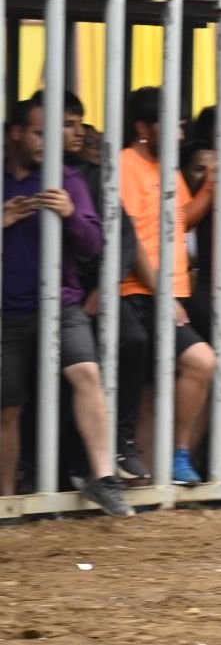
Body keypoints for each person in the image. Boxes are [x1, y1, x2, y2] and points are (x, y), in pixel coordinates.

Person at [1, 97, 132, 516]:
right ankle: (8, 500)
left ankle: (104, 477)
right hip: (6, 312)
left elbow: (94, 244)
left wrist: (71, 214)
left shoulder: (67, 179)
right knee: (8, 408)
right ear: (16, 134)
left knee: (87, 373)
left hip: (60, 303)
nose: (48, 141)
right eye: (40, 132)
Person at [117, 86, 218, 486]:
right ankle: (174, 455)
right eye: (172, 126)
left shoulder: (168, 167)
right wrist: (161, 295)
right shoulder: (126, 165)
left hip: (170, 293)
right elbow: (132, 240)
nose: (180, 136)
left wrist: (210, 189)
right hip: (140, 293)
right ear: (143, 127)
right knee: (200, 361)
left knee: (152, 391)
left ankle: (152, 474)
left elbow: (180, 221)